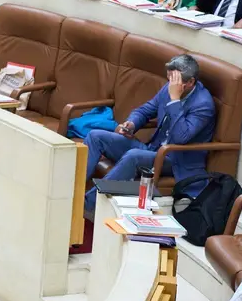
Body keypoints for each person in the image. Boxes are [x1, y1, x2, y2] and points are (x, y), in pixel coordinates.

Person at [82, 55, 215, 219]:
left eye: (174, 80)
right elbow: (145, 110)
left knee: (134, 156)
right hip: (153, 149)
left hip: (176, 160)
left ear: (190, 82)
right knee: (95, 136)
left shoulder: (203, 104)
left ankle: (87, 204)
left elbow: (181, 137)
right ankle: (69, 192)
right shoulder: (169, 88)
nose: (170, 84)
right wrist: (132, 124)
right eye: (169, 78)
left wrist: (175, 100)